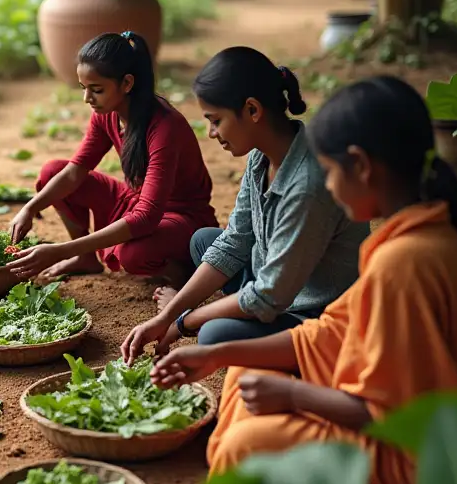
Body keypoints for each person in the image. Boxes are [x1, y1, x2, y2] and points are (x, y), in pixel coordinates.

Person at [151, 76, 457, 484]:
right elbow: (328, 334)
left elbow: (389, 414)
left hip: (441, 464)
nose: (325, 185)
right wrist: (219, 355)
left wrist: (290, 394)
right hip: (415, 426)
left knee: (243, 444)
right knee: (241, 373)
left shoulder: (406, 261)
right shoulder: (411, 235)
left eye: (329, 172)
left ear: (362, 167)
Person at [122, 46, 367, 359]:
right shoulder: (261, 156)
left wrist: (182, 322)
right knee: (204, 241)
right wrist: (164, 317)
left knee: (213, 334)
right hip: (276, 278)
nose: (211, 133)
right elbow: (233, 242)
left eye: (216, 120)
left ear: (252, 110)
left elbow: (268, 296)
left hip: (314, 312)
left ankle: (237, 314)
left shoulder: (308, 185)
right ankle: (236, 308)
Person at [7, 31, 218, 282]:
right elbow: (75, 171)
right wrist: (30, 208)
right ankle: (86, 260)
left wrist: (60, 251)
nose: (87, 99)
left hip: (181, 217)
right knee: (52, 171)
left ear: (127, 83)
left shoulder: (164, 128)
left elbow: (145, 218)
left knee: (133, 255)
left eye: (96, 89)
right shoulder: (107, 113)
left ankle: (182, 272)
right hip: (135, 201)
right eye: (84, 88)